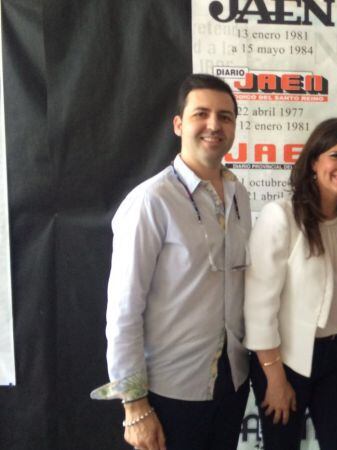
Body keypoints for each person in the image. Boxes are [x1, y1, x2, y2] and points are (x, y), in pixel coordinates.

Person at [91, 74, 252, 450]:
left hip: (230, 383)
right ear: (179, 124)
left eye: (225, 117)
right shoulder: (152, 201)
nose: (214, 125)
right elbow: (123, 310)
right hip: (170, 393)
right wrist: (135, 407)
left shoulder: (238, 194)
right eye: (202, 114)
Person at [243, 118, 337, 450]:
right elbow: (258, 307)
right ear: (314, 161)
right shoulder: (281, 216)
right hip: (282, 360)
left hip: (336, 357)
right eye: (336, 156)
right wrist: (275, 379)